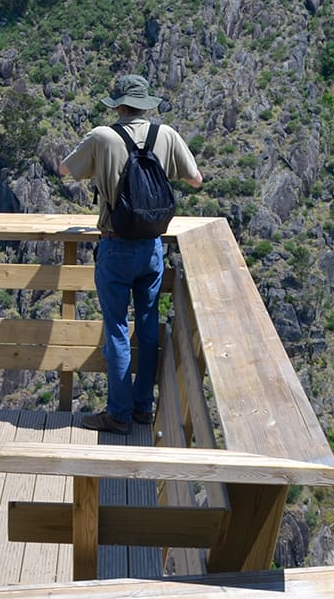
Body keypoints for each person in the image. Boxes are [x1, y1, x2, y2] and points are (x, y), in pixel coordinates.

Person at [59, 74, 203, 434]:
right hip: (152, 247)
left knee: (118, 330)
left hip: (117, 243)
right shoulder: (165, 135)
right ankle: (142, 408)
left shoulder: (103, 136)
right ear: (146, 104)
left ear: (118, 105)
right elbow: (196, 179)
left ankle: (118, 415)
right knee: (149, 326)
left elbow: (64, 169)